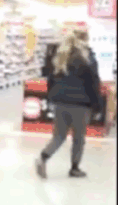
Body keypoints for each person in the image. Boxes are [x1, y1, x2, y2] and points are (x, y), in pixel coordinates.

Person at [36, 29, 102, 178]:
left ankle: (43, 158)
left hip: (60, 102)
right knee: (79, 138)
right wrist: (97, 105)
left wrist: (52, 97)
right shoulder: (87, 57)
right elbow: (93, 84)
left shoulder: (61, 56)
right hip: (81, 104)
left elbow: (50, 80)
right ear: (85, 40)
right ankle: (74, 168)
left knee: (59, 136)